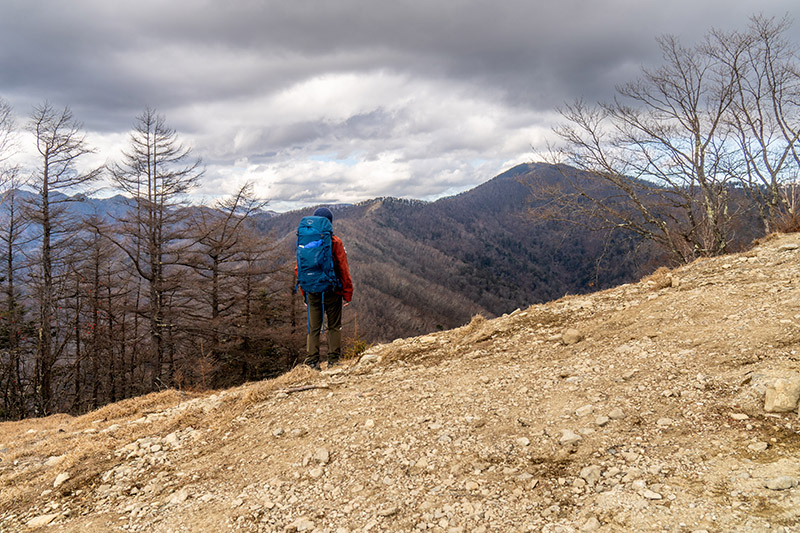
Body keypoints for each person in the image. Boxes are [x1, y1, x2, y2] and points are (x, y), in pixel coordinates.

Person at [297, 207, 353, 369]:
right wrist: (347, 293)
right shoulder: (335, 242)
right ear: (330, 222)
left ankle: (312, 362)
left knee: (313, 328)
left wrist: (304, 293)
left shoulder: (304, 240)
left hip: (312, 290)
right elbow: (343, 269)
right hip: (332, 290)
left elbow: (299, 268)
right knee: (334, 326)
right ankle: (333, 361)